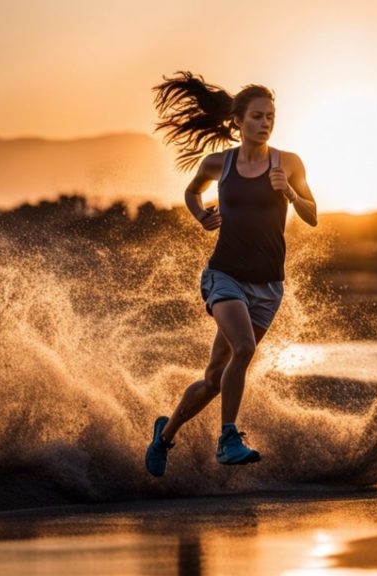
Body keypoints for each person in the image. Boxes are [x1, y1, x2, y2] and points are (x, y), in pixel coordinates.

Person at [145, 71, 318, 477]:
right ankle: (228, 439)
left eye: (270, 116)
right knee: (243, 349)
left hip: (268, 287)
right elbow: (191, 191)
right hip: (223, 276)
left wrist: (290, 194)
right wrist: (201, 215)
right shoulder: (219, 163)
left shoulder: (289, 164)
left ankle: (164, 435)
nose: (265, 122)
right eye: (257, 116)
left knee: (213, 380)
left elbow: (312, 216)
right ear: (237, 121)